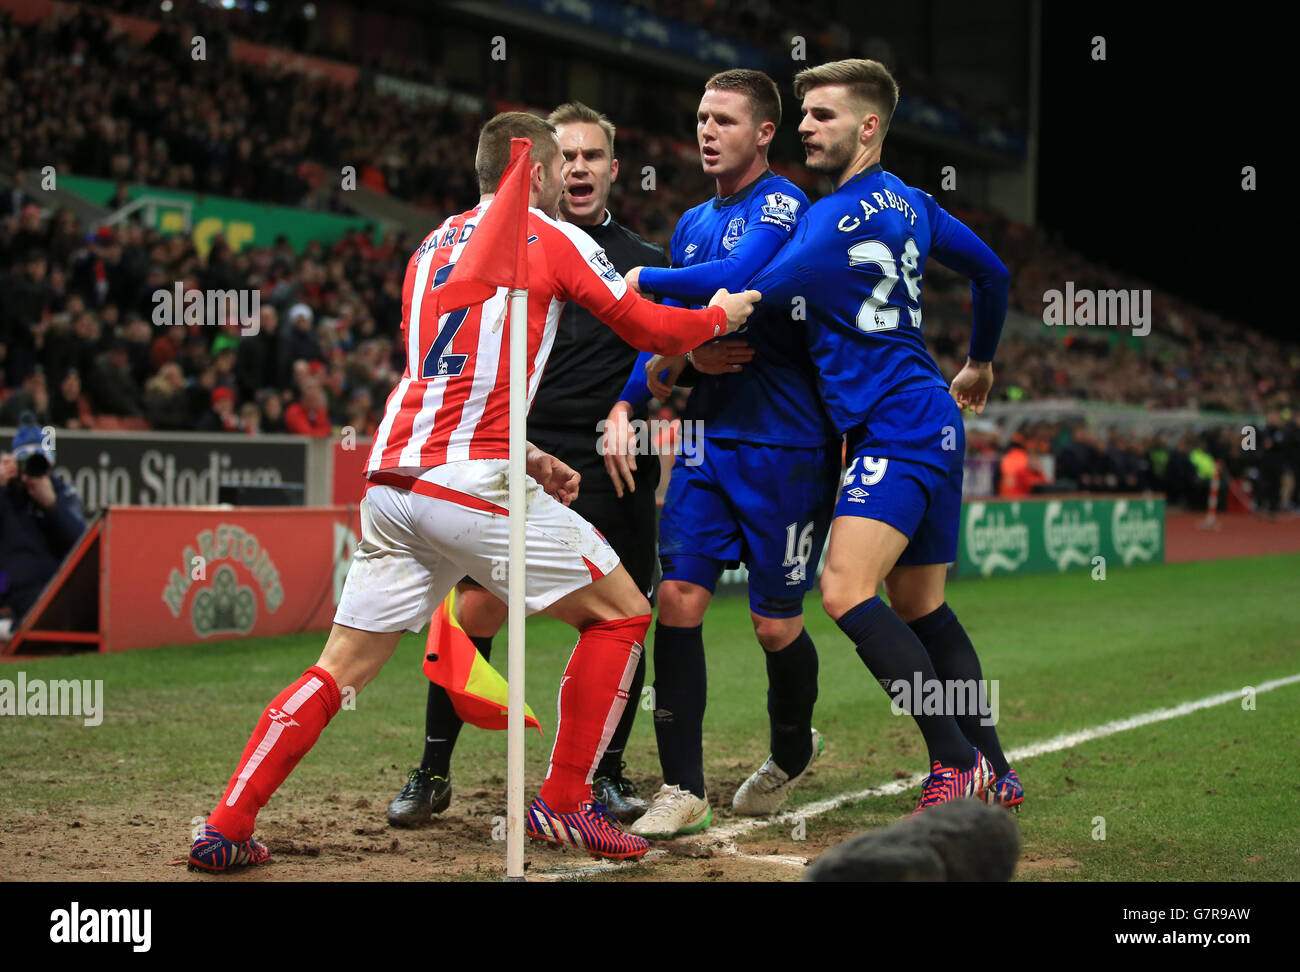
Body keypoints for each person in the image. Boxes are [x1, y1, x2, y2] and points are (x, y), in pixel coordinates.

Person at [188, 111, 758, 871]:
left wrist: (522, 454)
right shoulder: (553, 236)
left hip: (393, 477)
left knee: (340, 666)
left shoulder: (428, 247)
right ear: (543, 173)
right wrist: (717, 315)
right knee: (623, 614)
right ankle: (563, 802)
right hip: (464, 479)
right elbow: (647, 328)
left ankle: (227, 825)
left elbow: (447, 375)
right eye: (563, 165)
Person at [748, 59, 1021, 813]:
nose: (805, 126)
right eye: (803, 115)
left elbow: (748, 292)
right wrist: (982, 362)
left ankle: (954, 760)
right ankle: (994, 768)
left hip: (894, 425)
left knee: (842, 590)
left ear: (869, 126)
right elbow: (993, 274)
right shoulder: (914, 202)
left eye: (823, 115)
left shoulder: (831, 217)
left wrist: (638, 290)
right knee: (922, 607)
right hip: (933, 415)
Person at [385, 102, 669, 828]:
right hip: (518, 452)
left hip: (613, 459)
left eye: (593, 156)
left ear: (612, 169)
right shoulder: (499, 247)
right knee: (474, 605)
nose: (578, 167)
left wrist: (636, 405)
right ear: (539, 169)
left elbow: (665, 353)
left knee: (625, 613)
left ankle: (599, 774)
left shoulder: (646, 262)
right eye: (566, 156)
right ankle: (432, 768)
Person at [612, 69, 841, 839]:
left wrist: (641, 278)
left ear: (765, 132)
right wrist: (641, 390)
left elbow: (735, 283)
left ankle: (788, 752)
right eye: (701, 118)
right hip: (707, 443)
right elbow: (664, 341)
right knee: (674, 601)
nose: (707, 131)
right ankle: (682, 786)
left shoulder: (785, 204)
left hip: (787, 447)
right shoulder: (688, 222)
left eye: (725, 121)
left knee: (775, 627)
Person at [0, 414, 86, 629]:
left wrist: (52, 506)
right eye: (26, 463)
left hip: (51, 590)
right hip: (9, 586)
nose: (33, 471)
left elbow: (82, 549)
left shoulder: (62, 493)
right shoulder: (6, 494)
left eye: (39, 463)